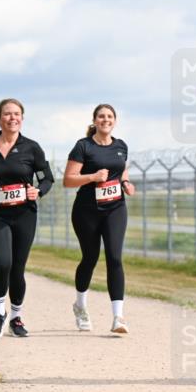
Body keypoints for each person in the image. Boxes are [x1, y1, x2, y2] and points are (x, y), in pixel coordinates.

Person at [0, 98, 54, 339]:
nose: (12, 118)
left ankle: (16, 318)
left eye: (17, 114)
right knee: (2, 262)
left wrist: (38, 191)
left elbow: (47, 178)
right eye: (7, 114)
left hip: (25, 214)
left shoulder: (32, 148)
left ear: (22, 118)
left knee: (18, 268)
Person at [63, 104, 135, 333]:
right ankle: (80, 306)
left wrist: (126, 183)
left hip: (115, 207)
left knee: (114, 257)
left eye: (110, 116)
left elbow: (121, 170)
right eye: (101, 116)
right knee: (90, 258)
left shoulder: (121, 146)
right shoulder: (83, 146)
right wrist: (93, 177)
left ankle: (118, 317)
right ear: (95, 120)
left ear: (115, 120)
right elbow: (68, 180)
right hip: (87, 211)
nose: (106, 120)